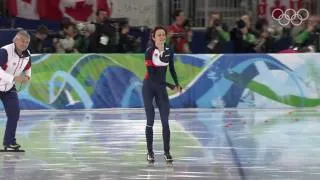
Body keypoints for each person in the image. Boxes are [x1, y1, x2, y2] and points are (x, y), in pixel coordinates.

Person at [143, 26, 182, 164]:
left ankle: (167, 152)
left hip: (161, 89)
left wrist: (177, 83)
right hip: (149, 87)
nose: (161, 37)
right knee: (150, 120)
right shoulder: (149, 52)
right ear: (153, 37)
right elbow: (153, 77)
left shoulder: (169, 51)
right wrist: (170, 85)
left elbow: (171, 68)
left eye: (163, 35)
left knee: (165, 120)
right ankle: (150, 152)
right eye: (158, 35)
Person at [0, 30, 32, 151]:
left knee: (14, 114)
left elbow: (28, 68)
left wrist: (28, 77)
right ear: (15, 40)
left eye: (27, 42)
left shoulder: (27, 55)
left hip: (9, 88)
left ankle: (9, 142)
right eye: (22, 41)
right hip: (8, 81)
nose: (24, 44)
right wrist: (13, 78)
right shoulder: (5, 51)